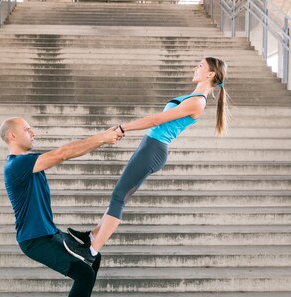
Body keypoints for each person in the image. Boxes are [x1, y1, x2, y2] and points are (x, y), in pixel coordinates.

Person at [64, 57, 228, 264]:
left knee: (118, 197)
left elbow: (156, 120)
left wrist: (124, 127)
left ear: (211, 74)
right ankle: (91, 237)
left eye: (200, 66)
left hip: (154, 149)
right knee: (119, 196)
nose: (195, 68)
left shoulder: (198, 101)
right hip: (149, 145)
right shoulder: (194, 96)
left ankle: (93, 251)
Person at [0, 117, 123, 297]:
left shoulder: (28, 163)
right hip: (35, 240)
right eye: (26, 129)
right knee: (84, 274)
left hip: (49, 232)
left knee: (93, 255)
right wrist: (102, 137)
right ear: (12, 136)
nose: (32, 132)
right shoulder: (17, 165)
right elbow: (65, 153)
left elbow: (66, 152)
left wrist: (101, 140)